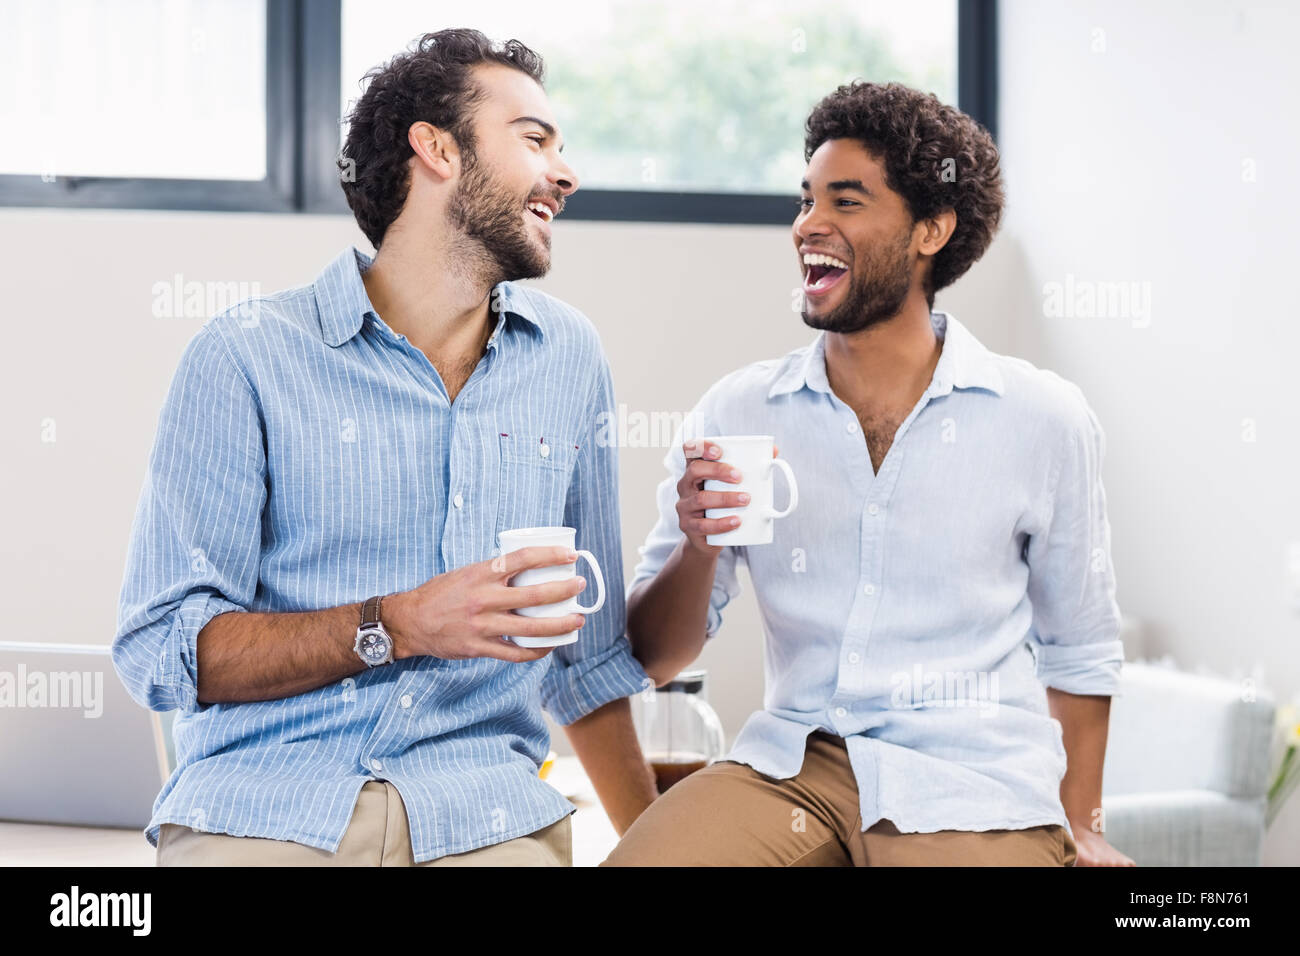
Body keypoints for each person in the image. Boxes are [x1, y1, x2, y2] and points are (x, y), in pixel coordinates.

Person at [113, 29, 657, 867]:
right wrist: (395, 624)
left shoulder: (569, 358)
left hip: (484, 814)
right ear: (437, 148)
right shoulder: (246, 355)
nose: (566, 172)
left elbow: (587, 663)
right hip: (268, 805)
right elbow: (163, 648)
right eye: (535, 139)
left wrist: (660, 847)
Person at [606, 81, 1136, 866]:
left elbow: (1081, 649)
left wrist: (1082, 822)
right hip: (792, 768)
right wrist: (698, 546)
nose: (807, 226)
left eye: (845, 203)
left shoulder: (1043, 418)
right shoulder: (743, 409)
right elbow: (652, 655)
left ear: (931, 229)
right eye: (806, 199)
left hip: (974, 779)